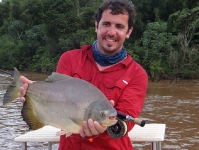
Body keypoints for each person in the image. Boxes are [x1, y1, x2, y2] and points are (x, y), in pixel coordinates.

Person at [20, 0, 148, 149]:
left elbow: (126, 122)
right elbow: (57, 103)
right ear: (96, 26)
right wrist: (33, 97)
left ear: (129, 32)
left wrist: (106, 127)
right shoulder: (69, 59)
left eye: (119, 26)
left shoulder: (137, 74)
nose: (111, 32)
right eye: (106, 24)